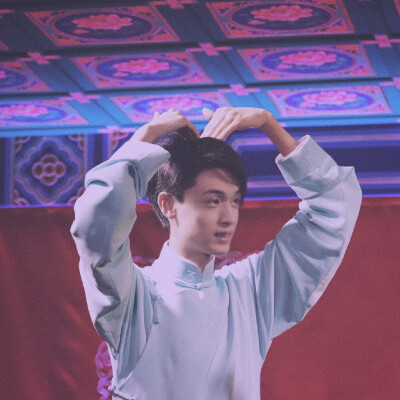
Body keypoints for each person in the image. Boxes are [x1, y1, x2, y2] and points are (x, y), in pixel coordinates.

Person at [71, 107, 362, 400]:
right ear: (168, 204)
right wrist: (144, 137)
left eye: (234, 201)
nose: (228, 217)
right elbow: (95, 225)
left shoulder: (248, 290)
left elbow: (335, 207)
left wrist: (268, 123)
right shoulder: (135, 295)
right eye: (213, 201)